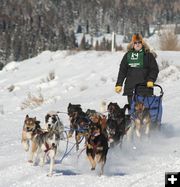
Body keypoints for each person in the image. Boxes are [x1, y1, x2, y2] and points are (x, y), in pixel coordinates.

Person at [115, 33, 159, 106]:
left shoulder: (148, 55)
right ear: (133, 44)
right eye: (135, 43)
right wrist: (119, 84)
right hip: (131, 89)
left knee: (144, 112)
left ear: (142, 43)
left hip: (145, 88)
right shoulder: (127, 55)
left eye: (139, 42)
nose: (137, 44)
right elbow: (122, 71)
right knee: (133, 112)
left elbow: (154, 69)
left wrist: (151, 80)